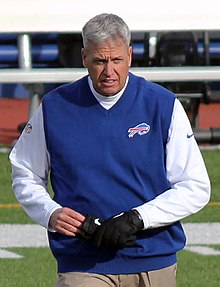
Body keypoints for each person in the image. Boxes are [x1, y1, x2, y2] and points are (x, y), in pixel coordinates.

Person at [9, 13, 211, 287]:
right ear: (84, 58)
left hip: (154, 261)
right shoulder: (54, 108)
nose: (108, 72)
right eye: (99, 61)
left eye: (116, 60)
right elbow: (24, 172)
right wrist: (50, 212)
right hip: (82, 263)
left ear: (129, 55)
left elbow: (195, 186)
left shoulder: (162, 105)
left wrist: (138, 219)